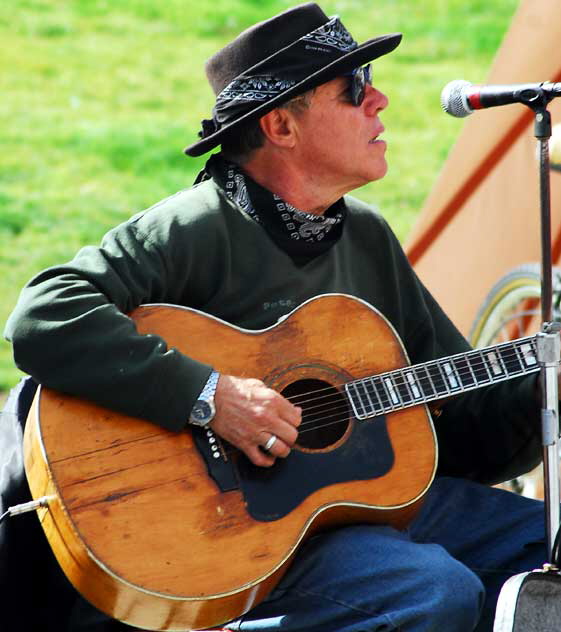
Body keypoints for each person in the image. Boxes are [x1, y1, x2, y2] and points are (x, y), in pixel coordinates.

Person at [0, 3, 549, 631]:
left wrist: (542, 380)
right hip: (224, 535)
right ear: (281, 126)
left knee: (550, 544)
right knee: (432, 590)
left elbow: (460, 425)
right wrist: (210, 395)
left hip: (361, 507)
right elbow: (45, 314)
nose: (382, 101)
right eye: (355, 90)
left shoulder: (365, 237)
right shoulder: (196, 226)